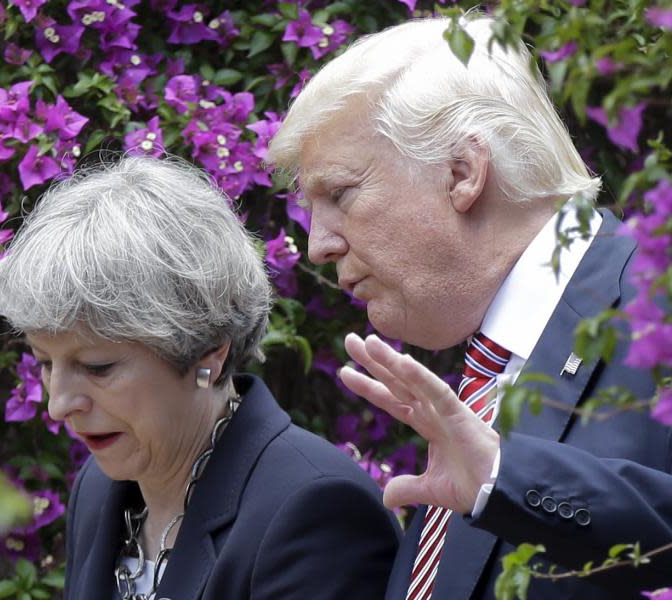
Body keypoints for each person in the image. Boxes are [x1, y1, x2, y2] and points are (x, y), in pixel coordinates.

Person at [267, 15, 672, 600]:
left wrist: (506, 479)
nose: (318, 244)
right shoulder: (484, 372)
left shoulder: (656, 304)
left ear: (462, 173)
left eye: (340, 194)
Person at [0, 156, 400, 600]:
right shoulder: (98, 487)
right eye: (46, 363)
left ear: (208, 355)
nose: (59, 404)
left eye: (97, 367)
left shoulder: (317, 513)